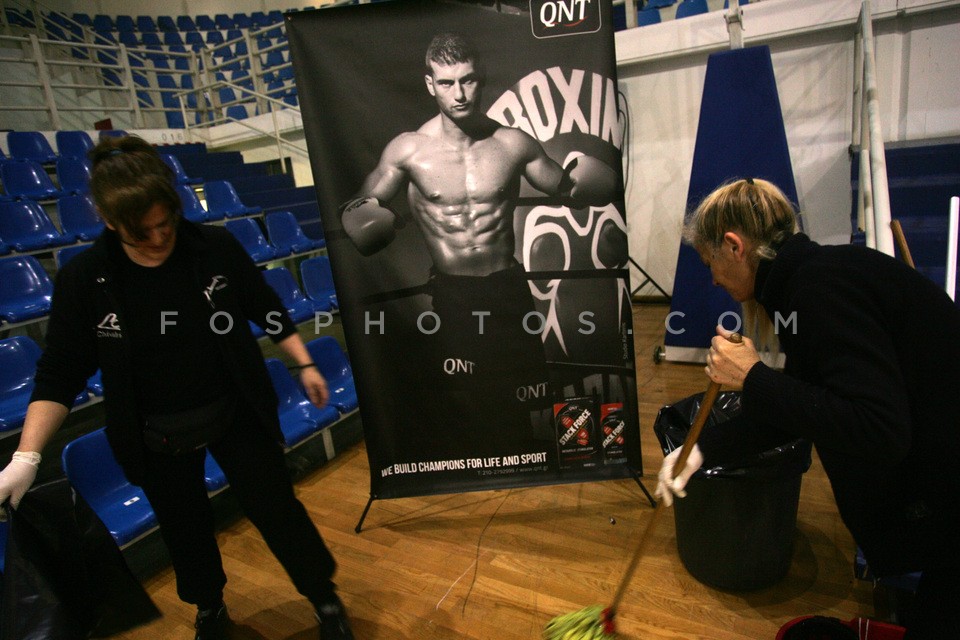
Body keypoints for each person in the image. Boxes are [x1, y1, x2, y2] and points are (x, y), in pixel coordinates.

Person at [0, 136, 354, 640]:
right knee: (184, 528)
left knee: (277, 509)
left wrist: (303, 364)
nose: (159, 237)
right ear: (106, 218)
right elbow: (59, 371)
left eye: (166, 222)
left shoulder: (212, 248)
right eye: (141, 232)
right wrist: (27, 458)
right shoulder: (88, 279)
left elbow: (264, 304)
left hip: (235, 410)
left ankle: (324, 599)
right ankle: (209, 608)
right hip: (153, 432)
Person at [656, 177, 960, 638]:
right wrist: (697, 452)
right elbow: (800, 404)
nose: (713, 278)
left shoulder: (821, 288)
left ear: (734, 246)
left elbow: (879, 428)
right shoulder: (815, 278)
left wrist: (753, 377)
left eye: (709, 261)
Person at [339, 32, 618, 457]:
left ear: (480, 78)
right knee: (470, 396)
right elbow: (362, 209)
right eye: (447, 83)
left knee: (526, 391)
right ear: (430, 84)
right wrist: (376, 217)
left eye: (467, 80)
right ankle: (478, 468)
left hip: (507, 286)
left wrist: (586, 180)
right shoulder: (408, 150)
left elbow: (565, 186)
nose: (459, 93)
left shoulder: (513, 143)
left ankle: (525, 464)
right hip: (454, 293)